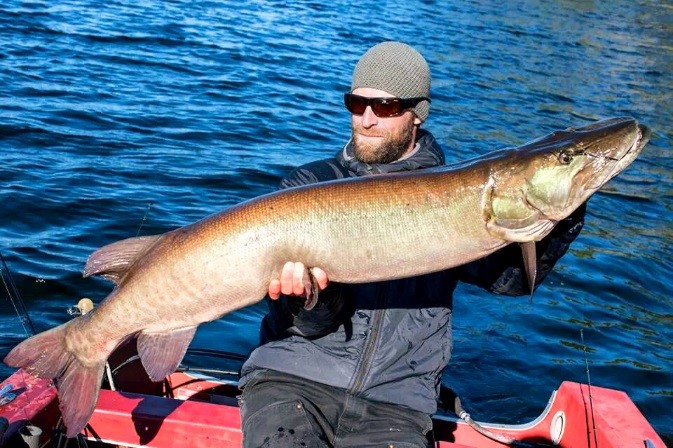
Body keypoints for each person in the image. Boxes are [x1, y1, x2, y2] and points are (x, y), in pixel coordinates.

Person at [238, 41, 586, 448]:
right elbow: (303, 327)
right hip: (293, 381)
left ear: (416, 114)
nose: (366, 119)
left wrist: (562, 209)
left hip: (395, 406)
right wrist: (310, 297)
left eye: (384, 106)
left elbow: (509, 280)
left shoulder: (457, 197)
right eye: (356, 103)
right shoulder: (310, 186)